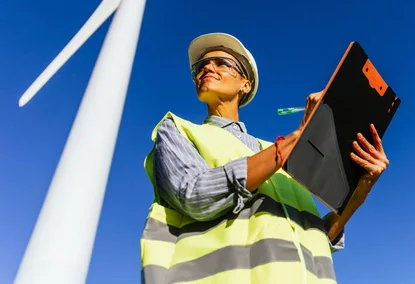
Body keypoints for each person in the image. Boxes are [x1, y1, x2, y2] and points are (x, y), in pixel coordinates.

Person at [140, 33, 390, 284]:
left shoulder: (279, 157)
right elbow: (194, 196)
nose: (207, 67)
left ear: (245, 84)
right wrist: (298, 138)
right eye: (200, 66)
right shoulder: (178, 130)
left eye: (221, 63)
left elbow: (316, 238)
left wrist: (360, 191)